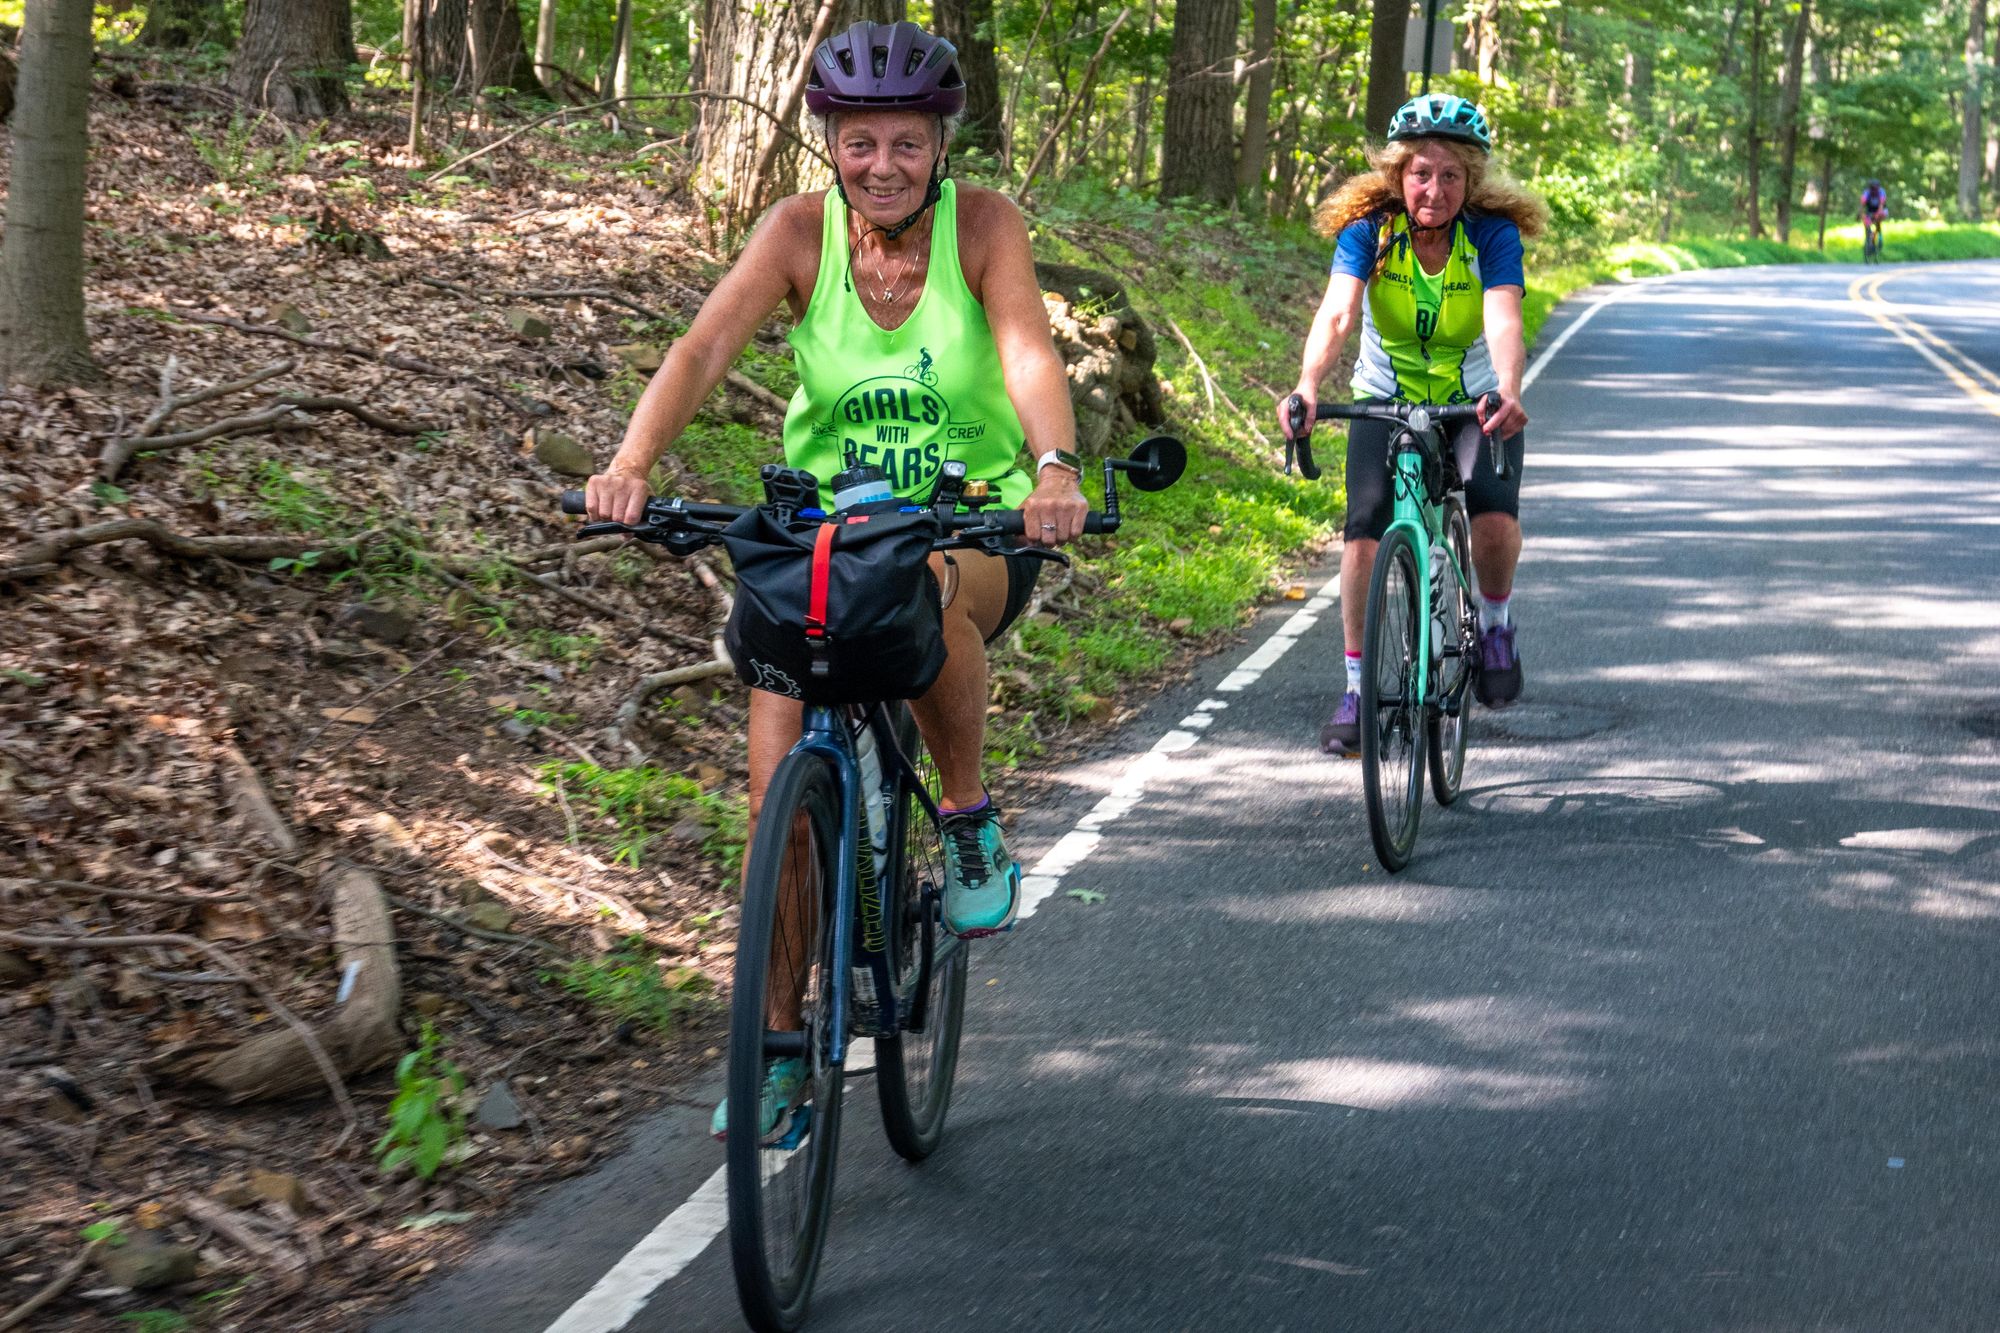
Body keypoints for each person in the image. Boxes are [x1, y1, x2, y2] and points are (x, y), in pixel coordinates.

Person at [582, 21, 1088, 1136]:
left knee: (934, 583)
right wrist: (630, 464)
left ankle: (963, 817)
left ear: (939, 143)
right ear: (831, 143)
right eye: (860, 144)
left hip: (971, 524)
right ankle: (773, 1056)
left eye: (904, 143)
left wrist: (1052, 466)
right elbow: (701, 351)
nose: (882, 166)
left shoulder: (983, 227)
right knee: (781, 817)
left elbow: (1023, 351)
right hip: (820, 540)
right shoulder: (796, 233)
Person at [1281, 93, 1548, 755]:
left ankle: (1494, 624)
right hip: (1385, 399)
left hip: (1473, 403)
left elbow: (1503, 318)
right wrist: (1307, 385)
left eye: (1451, 175)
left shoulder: (1490, 234)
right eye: (1421, 173)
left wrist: (1508, 391)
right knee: (1365, 533)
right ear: (1398, 175)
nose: (1434, 188)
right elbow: (1338, 315)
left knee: (1492, 516)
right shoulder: (1370, 230)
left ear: (1472, 182)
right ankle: (1357, 685)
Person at [1860, 178, 1888, 253]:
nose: (1874, 189)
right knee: (1866, 222)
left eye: (1875, 188)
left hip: (1881, 210)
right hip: (1870, 210)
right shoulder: (1867, 192)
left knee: (1878, 219)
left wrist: (1877, 214)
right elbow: (1862, 204)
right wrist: (1861, 214)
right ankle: (1868, 240)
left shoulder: (1881, 192)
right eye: (1872, 188)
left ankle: (1879, 237)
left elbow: (1881, 205)